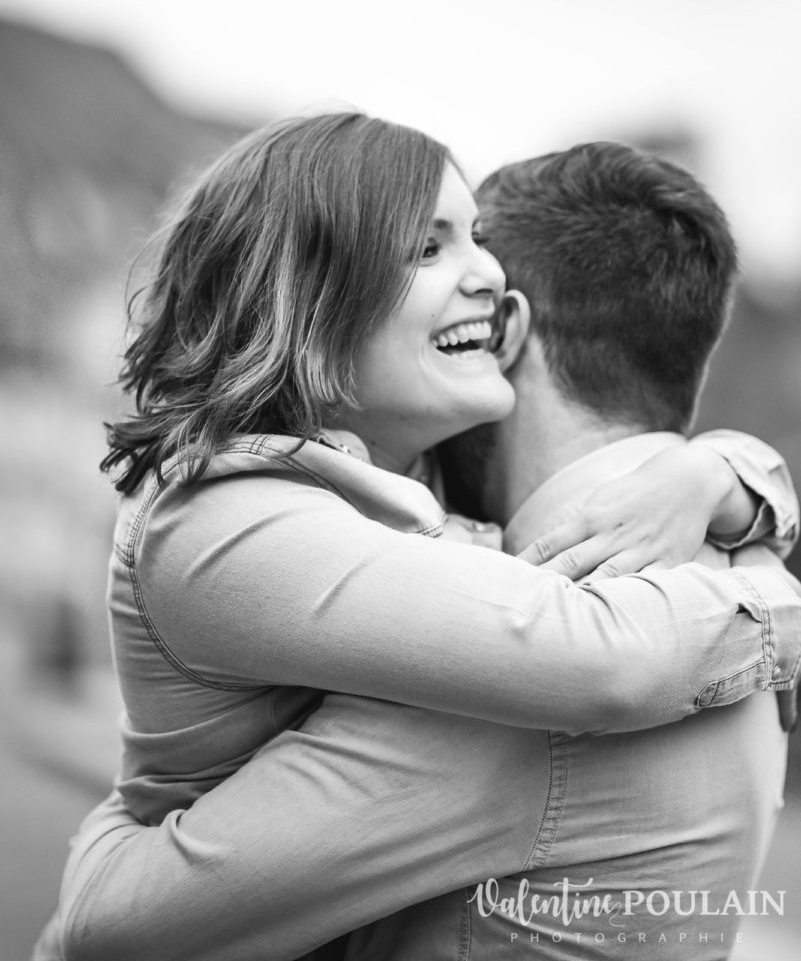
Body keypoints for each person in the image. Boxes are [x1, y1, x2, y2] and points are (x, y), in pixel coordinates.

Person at [35, 115, 800, 961]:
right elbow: (597, 657)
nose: (486, 275)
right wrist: (773, 587)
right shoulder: (230, 518)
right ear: (309, 297)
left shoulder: (394, 487)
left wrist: (723, 475)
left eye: (475, 238)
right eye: (427, 249)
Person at [338, 142, 793, 961]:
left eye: (460, 328)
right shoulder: (744, 565)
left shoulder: (519, 646)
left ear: (503, 330)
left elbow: (123, 920)